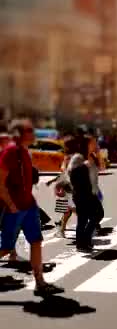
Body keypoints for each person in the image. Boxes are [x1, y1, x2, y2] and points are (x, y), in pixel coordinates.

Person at [0, 119, 64, 296]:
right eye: (29, 130)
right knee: (5, 248)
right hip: (15, 208)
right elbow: (0, 182)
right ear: (19, 134)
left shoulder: (24, 151)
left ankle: (40, 283)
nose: (33, 133)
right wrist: (11, 205)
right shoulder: (11, 152)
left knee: (36, 241)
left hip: (29, 206)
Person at [65, 136, 104, 252]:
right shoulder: (78, 157)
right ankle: (82, 243)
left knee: (98, 215)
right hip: (81, 192)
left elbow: (102, 168)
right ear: (86, 144)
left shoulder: (93, 156)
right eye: (93, 142)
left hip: (92, 192)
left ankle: (84, 240)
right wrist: (83, 166)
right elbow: (69, 171)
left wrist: (98, 154)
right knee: (83, 219)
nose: (96, 144)